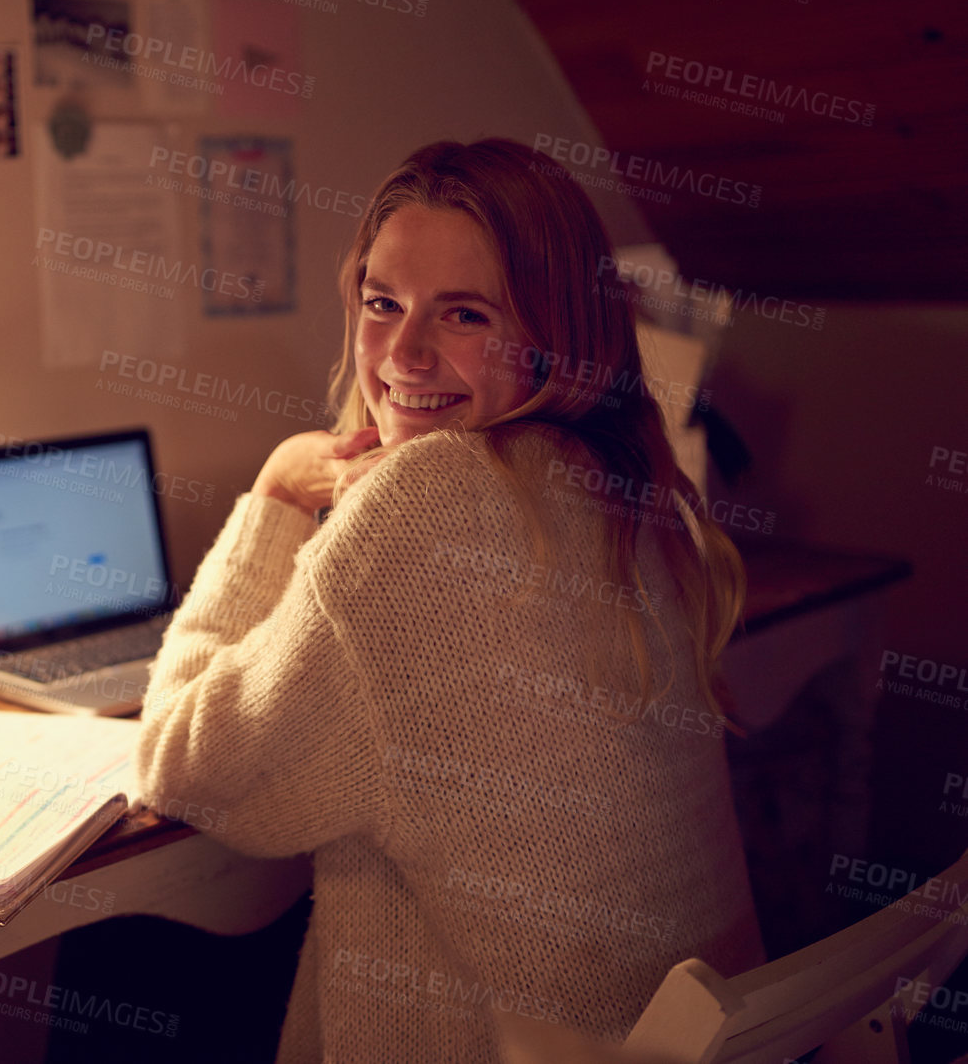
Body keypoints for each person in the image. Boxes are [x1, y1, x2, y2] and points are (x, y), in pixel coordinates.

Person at [135, 138, 764, 1061]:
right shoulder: (628, 489)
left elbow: (179, 763)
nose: (402, 353)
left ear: (556, 331)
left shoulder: (421, 506)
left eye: (464, 314)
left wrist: (272, 497)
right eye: (381, 302)